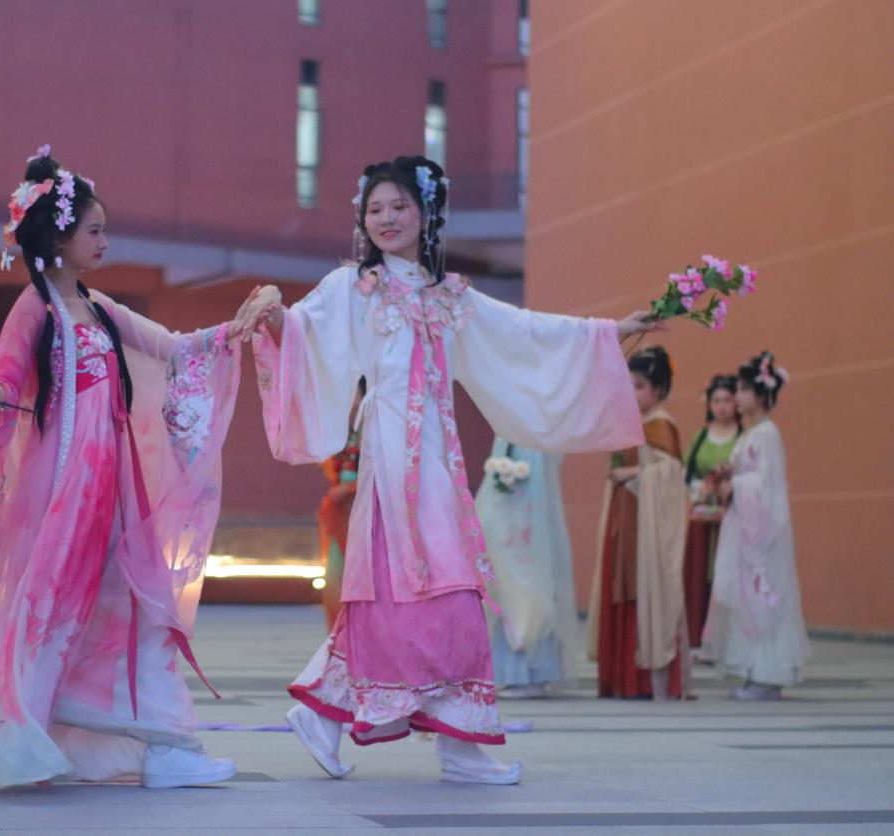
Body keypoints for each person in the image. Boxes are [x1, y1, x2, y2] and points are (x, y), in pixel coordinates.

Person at [0, 147, 275, 790]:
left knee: (136, 605)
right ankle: (5, 736)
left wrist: (238, 326)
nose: (104, 241)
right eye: (95, 230)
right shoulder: (34, 308)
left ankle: (165, 746)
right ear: (60, 238)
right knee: (46, 609)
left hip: (112, 485)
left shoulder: (101, 309)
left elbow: (176, 349)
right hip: (63, 486)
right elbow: (7, 378)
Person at [249, 155, 659, 784]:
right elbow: (304, 334)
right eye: (375, 209)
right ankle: (453, 747)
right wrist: (274, 311)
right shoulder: (353, 288)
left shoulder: (450, 298)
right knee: (446, 597)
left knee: (412, 598)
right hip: (392, 462)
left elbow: (523, 333)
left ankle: (330, 717)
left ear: (426, 213)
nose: (386, 218)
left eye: (399, 206)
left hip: (437, 461)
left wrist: (608, 334)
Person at [703, 351, 809, 700]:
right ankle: (753, 672)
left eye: (743, 389)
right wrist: (726, 480)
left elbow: (766, 486)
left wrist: (735, 485)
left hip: (763, 534)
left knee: (764, 599)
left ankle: (768, 675)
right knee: (746, 599)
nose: (738, 396)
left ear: (761, 396)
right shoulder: (751, 434)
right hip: (746, 529)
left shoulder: (766, 435)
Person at [589, 347, 692, 700]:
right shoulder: (628, 423)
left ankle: (645, 681)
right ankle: (620, 680)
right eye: (628, 385)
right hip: (624, 519)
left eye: (640, 385)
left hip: (647, 526)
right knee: (620, 585)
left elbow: (672, 475)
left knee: (644, 589)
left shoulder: (662, 425)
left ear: (659, 389)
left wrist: (632, 473)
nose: (632, 393)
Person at [474, 437, 580, 698]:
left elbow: (536, 491)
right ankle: (511, 674)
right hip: (507, 526)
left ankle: (531, 675)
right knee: (506, 591)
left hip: (525, 527)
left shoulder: (531, 438)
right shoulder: (509, 434)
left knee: (530, 594)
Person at [682, 375, 741, 650]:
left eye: (727, 400)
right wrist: (701, 488)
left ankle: (728, 638)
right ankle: (697, 637)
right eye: (716, 400)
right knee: (698, 575)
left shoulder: (743, 436)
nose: (722, 406)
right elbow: (686, 473)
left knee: (727, 573)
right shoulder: (700, 438)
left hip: (732, 516)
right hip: (702, 517)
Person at [317, 378, 365, 630]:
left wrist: (349, 488)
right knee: (335, 576)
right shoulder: (343, 428)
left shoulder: (373, 425)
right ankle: (339, 635)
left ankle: (357, 634)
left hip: (364, 509)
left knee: (359, 575)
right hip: (341, 512)